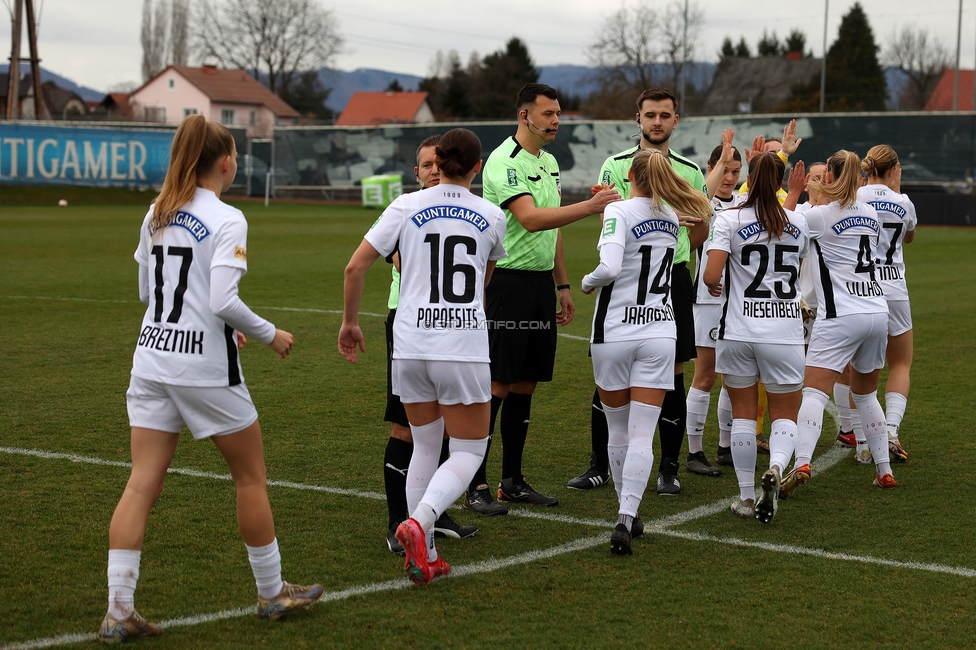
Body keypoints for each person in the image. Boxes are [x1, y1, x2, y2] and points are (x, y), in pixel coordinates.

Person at [100, 115, 322, 643]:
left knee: (140, 482)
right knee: (250, 478)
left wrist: (215, 322)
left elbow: (147, 294)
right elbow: (221, 299)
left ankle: (118, 609)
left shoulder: (156, 211)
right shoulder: (228, 218)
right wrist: (270, 334)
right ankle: (272, 594)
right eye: (237, 155)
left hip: (151, 359)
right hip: (203, 368)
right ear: (225, 162)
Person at [340, 128, 507, 586]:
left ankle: (424, 554)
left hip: (410, 345)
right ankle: (422, 521)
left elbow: (355, 266)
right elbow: (484, 280)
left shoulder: (404, 206)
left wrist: (350, 321)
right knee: (470, 448)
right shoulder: (492, 215)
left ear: (438, 163)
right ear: (477, 166)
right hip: (462, 347)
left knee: (425, 446)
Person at [463, 83, 621, 514]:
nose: (555, 120)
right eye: (548, 113)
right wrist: (590, 208)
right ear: (524, 116)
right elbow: (531, 220)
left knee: (527, 382)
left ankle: (510, 481)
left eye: (557, 113)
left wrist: (563, 285)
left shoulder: (548, 162)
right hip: (506, 283)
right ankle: (473, 483)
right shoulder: (503, 161)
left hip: (537, 287)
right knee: (497, 384)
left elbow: (552, 232)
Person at [568, 87, 709, 496]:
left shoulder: (690, 169)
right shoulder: (613, 165)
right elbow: (608, 225)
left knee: (674, 373)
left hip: (673, 278)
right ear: (639, 119)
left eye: (665, 115)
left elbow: (700, 226)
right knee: (609, 376)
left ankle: (668, 467)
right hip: (626, 278)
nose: (658, 122)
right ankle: (600, 466)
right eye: (651, 115)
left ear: (675, 120)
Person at [582, 148, 713, 554]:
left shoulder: (618, 212)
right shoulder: (670, 216)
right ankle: (627, 516)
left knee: (618, 429)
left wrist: (587, 283)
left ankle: (625, 511)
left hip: (615, 332)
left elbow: (608, 268)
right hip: (659, 331)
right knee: (642, 433)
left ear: (629, 176)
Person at [779, 150, 896, 499]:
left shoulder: (818, 216)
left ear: (828, 175)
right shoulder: (871, 213)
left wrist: (796, 193)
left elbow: (780, 228)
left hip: (840, 314)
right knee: (866, 393)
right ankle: (884, 471)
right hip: (877, 311)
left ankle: (801, 462)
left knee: (814, 392)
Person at [381, 135, 478, 555]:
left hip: (448, 331)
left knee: (441, 434)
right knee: (408, 431)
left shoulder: (462, 213)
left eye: (437, 164)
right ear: (417, 172)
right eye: (425, 166)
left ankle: (432, 515)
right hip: (409, 326)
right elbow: (403, 261)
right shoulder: (404, 212)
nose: (432, 171)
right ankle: (398, 523)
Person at [703, 151, 810, 523]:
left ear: (748, 177)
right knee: (784, 415)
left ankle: (747, 498)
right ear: (782, 183)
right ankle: (778, 468)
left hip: (737, 332)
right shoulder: (798, 220)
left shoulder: (728, 219)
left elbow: (710, 276)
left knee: (744, 417)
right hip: (784, 332)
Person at [686, 128, 744, 472]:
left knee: (731, 375)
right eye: (725, 170)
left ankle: (724, 446)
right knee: (705, 376)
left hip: (737, 302)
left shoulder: (744, 202)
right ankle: (694, 453)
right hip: (707, 300)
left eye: (736, 172)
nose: (730, 178)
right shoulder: (700, 201)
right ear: (712, 168)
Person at [858, 145, 916, 462]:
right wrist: (896, 191)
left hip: (862, 287)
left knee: (859, 367)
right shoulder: (903, 202)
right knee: (901, 363)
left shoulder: (855, 197)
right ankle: (890, 430)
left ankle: (861, 442)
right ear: (894, 169)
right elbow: (909, 236)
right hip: (894, 289)